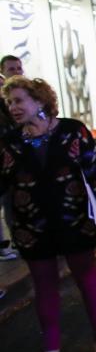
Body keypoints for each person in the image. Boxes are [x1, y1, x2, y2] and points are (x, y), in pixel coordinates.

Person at [0, 76, 96, 352]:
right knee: (44, 285)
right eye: (9, 102)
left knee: (86, 278)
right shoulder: (10, 143)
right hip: (31, 227)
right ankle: (50, 349)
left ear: (39, 101)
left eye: (19, 100)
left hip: (75, 220)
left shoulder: (71, 131)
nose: (12, 107)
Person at [0, 54, 22, 262]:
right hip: (3, 162)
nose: (16, 73)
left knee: (16, 203)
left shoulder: (28, 94)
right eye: (11, 69)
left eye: (18, 68)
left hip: (19, 160)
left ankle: (18, 240)